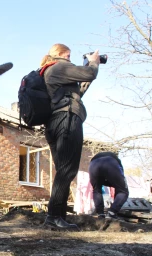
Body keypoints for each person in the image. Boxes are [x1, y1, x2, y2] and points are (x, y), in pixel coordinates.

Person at [41, 43, 101, 230]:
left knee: (63, 171)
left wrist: (84, 75)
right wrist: (93, 62)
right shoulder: (59, 66)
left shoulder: (48, 71)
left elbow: (77, 93)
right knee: (67, 170)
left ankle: (58, 217)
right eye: (68, 56)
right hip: (66, 120)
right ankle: (53, 217)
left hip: (54, 122)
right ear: (59, 54)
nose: (69, 59)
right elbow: (90, 73)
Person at [89, 151, 129, 220]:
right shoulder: (117, 163)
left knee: (96, 190)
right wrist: (115, 206)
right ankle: (112, 213)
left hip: (93, 164)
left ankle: (100, 214)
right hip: (110, 162)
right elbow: (120, 189)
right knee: (123, 191)